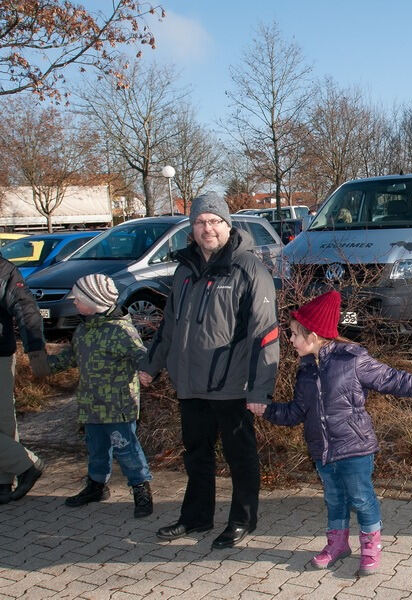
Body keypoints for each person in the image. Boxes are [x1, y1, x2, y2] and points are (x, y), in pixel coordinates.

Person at [248, 290, 412, 576]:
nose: (290, 340)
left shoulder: (353, 360)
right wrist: (268, 410)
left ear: (312, 335)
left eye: (294, 334)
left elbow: (393, 380)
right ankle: (337, 545)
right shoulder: (306, 370)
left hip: (354, 448)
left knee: (362, 498)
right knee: (334, 499)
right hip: (322, 450)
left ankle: (371, 547)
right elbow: (297, 412)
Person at [138, 192, 280, 549]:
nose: (208, 228)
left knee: (239, 455)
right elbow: (169, 324)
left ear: (228, 225)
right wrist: (150, 366)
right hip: (190, 384)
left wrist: (260, 390)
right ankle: (196, 517)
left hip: (231, 385)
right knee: (196, 454)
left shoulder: (248, 269)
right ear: (191, 227)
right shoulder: (184, 270)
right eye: (201, 221)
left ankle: (242, 519)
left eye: (215, 221)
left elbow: (266, 334)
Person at [48, 274, 153, 517]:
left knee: (125, 447)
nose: (74, 303)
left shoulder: (121, 331)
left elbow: (141, 355)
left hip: (117, 405)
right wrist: (45, 363)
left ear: (94, 301)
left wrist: (147, 370)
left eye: (78, 299)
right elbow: (72, 356)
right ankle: (96, 485)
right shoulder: (84, 330)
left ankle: (140, 487)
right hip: (90, 404)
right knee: (96, 447)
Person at [0, 256, 50, 504]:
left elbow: (25, 307)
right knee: (4, 421)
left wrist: (36, 349)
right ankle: (16, 472)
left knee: (4, 420)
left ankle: (13, 473)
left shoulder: (4, 270)